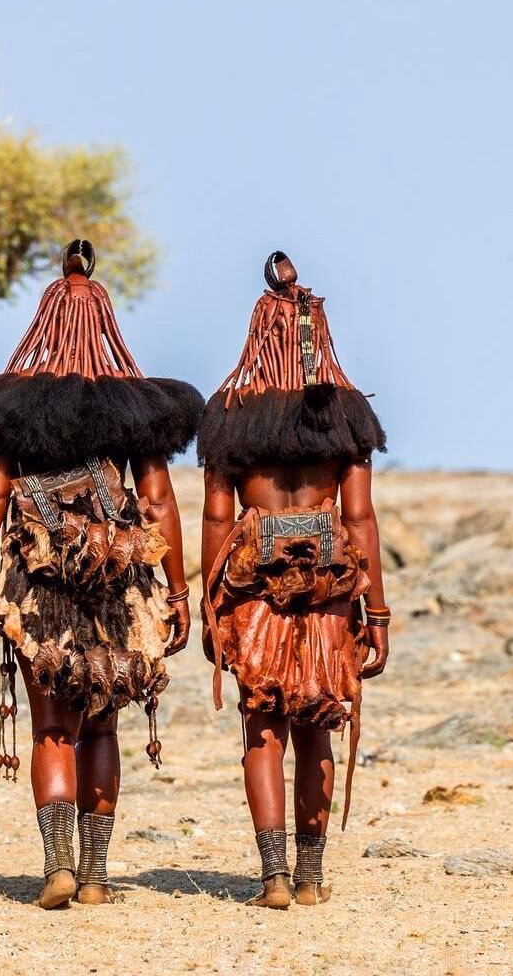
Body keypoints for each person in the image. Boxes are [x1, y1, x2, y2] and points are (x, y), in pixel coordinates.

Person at [0, 240, 203, 908]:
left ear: (43, 322)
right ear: (105, 323)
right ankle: (95, 876)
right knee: (102, 723)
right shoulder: (136, 407)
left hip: (38, 585)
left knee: (51, 727)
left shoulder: (10, 407)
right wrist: (178, 592)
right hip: (118, 587)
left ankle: (57, 868)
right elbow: (156, 501)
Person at [198, 250, 390, 908]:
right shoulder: (346, 417)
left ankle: (273, 877)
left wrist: (209, 607)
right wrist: (380, 615)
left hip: (254, 588)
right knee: (317, 726)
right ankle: (310, 879)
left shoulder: (228, 413)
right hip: (332, 589)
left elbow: (218, 519)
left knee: (263, 729)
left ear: (259, 334)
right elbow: (359, 520)